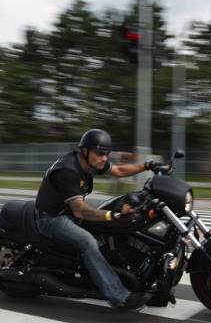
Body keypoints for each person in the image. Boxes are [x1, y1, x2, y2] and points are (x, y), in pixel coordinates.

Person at [34, 129, 160, 311]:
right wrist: (113, 215)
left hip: (68, 210)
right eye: (100, 153)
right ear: (85, 151)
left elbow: (118, 170)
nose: (104, 158)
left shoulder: (89, 163)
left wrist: (148, 165)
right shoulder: (68, 170)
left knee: (110, 213)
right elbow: (80, 211)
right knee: (87, 241)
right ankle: (119, 297)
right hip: (52, 218)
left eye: (106, 154)